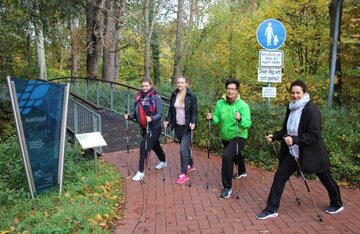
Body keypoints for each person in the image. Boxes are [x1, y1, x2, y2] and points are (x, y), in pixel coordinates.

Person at [256, 80, 344, 220]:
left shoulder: (311, 109)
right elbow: (286, 130)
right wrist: (275, 136)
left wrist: (295, 140)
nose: (295, 95)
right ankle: (271, 208)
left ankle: (337, 203)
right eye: (293, 92)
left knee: (325, 178)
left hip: (312, 153)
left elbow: (314, 134)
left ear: (304, 93)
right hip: (293, 152)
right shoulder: (291, 107)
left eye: (298, 93)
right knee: (280, 176)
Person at [207, 78, 252, 199]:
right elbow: (217, 118)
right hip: (225, 136)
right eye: (228, 88)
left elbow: (248, 123)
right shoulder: (220, 103)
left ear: (237, 91)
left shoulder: (243, 106)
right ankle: (242, 171)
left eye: (233, 89)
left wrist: (240, 119)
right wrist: (212, 118)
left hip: (239, 135)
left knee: (227, 156)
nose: (230, 91)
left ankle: (227, 187)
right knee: (235, 154)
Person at [125, 77, 166, 181]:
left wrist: (152, 118)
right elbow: (136, 113)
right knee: (155, 145)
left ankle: (140, 172)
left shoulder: (156, 97)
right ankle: (163, 161)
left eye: (146, 86)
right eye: (143, 86)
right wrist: (130, 116)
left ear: (150, 85)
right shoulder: (138, 97)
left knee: (144, 147)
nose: (144, 88)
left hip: (154, 127)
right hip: (144, 127)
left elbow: (160, 113)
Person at [164, 76, 198, 184]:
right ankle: (190, 164)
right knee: (185, 147)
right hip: (178, 126)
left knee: (183, 149)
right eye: (178, 82)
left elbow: (194, 112)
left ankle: (184, 174)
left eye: (182, 82)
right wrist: (167, 121)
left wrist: (194, 122)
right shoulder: (174, 94)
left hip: (187, 127)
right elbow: (171, 111)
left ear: (186, 84)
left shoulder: (191, 96)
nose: (180, 84)